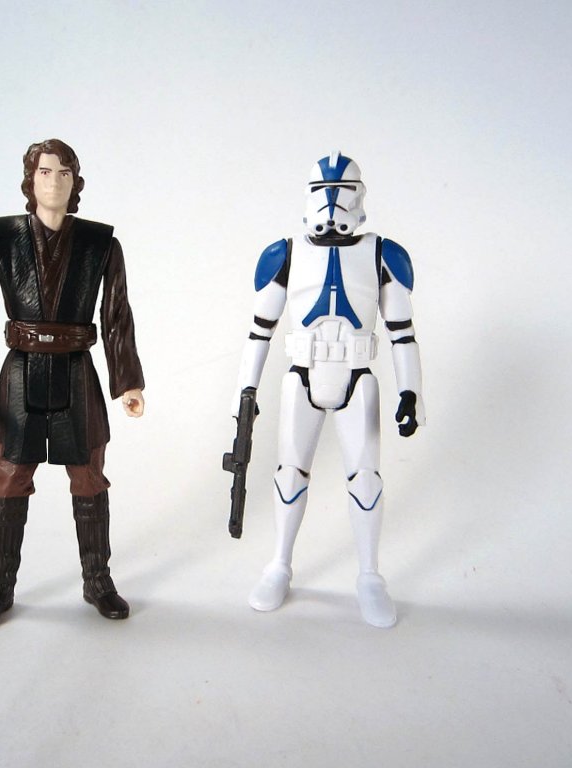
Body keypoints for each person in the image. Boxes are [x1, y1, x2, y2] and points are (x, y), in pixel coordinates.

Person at [0, 138, 145, 630]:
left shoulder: (100, 243)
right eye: (44, 172)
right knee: (8, 476)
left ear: (75, 182)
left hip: (76, 372)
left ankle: (97, 579)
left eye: (63, 173)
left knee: (88, 476)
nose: (53, 181)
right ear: (30, 180)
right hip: (22, 372)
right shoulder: (1, 237)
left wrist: (127, 382)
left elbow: (116, 316)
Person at [232, 152, 424, 628]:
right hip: (303, 375)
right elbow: (259, 331)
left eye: (343, 192)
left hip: (357, 377)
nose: (333, 202)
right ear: (308, 197)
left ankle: (370, 576)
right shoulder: (285, 254)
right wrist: (245, 393)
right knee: (289, 474)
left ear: (360, 197)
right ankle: (279, 564)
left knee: (366, 479)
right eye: (322, 192)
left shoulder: (383, 254)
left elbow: (402, 333)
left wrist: (411, 393)